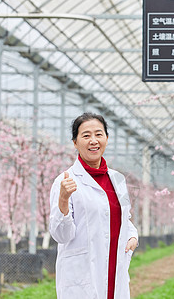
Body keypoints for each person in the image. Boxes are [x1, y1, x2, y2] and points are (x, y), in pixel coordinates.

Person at [49, 112, 138, 299]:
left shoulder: (117, 179)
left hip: (115, 266)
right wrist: (63, 199)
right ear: (75, 142)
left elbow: (122, 217)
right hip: (83, 272)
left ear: (106, 138)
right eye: (86, 135)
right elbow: (61, 235)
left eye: (98, 134)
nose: (93, 140)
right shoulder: (65, 181)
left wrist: (132, 235)